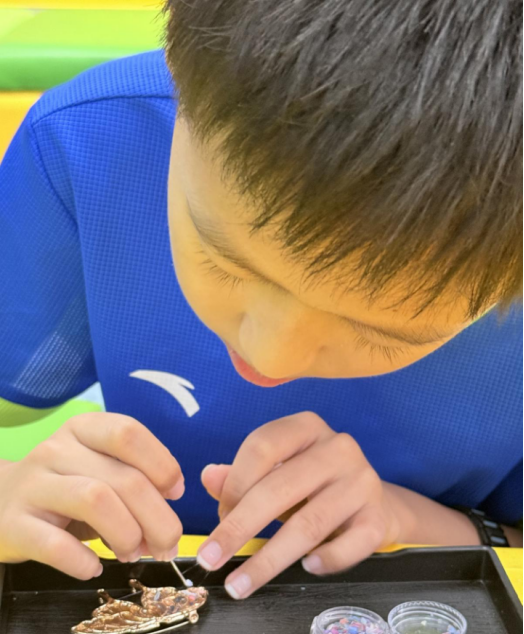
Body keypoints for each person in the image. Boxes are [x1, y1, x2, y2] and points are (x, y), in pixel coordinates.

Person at [0, 0, 522, 601]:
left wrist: (410, 521)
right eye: (223, 258)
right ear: (180, 85)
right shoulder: (87, 144)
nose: (269, 358)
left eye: (383, 332)